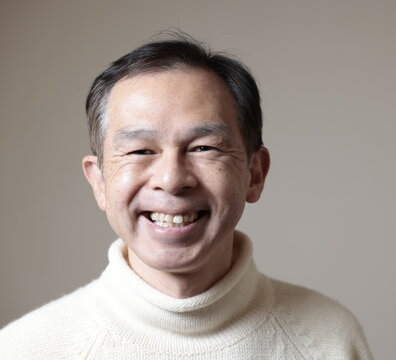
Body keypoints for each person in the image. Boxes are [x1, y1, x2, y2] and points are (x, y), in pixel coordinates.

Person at [0, 32, 373, 359]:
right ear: (98, 181)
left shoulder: (329, 339)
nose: (172, 179)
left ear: (254, 174)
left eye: (204, 147)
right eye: (140, 151)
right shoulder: (25, 350)